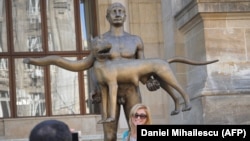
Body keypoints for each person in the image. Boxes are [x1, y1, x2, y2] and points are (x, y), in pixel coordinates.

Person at [23, 2, 160, 141]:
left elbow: (143, 65)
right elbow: (91, 65)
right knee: (110, 135)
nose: (118, 14)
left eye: (120, 11)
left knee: (141, 132)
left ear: (125, 16)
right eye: (114, 11)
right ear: (107, 17)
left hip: (132, 91)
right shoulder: (100, 41)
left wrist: (149, 81)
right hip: (107, 92)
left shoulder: (135, 40)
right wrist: (95, 89)